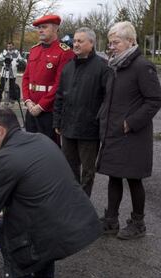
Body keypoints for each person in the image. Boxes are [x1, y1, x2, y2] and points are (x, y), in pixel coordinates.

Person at [0, 109, 102, 278]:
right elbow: (33, 188)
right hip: (73, 221)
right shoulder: (42, 139)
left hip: (44, 231)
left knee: (6, 232)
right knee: (42, 253)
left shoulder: (3, 159)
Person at [97, 22, 161, 240]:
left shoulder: (142, 66)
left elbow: (154, 100)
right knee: (114, 177)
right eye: (110, 43)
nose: (112, 47)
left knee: (134, 179)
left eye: (116, 42)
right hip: (114, 132)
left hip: (133, 135)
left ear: (131, 41)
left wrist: (131, 122)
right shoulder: (115, 66)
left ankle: (138, 223)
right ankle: (110, 220)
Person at [53, 27, 109, 198]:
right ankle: (72, 200)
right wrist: (57, 121)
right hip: (68, 128)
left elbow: (107, 100)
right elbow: (60, 96)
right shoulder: (68, 67)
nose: (75, 44)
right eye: (75, 41)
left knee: (88, 172)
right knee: (69, 168)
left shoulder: (103, 68)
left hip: (89, 130)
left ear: (91, 43)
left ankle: (84, 202)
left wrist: (99, 123)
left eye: (80, 41)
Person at [22, 14, 74, 145]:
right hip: (31, 108)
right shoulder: (34, 50)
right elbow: (26, 78)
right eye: (39, 27)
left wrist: (41, 106)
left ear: (55, 28)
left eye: (44, 27)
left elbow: (60, 84)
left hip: (49, 112)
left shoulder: (64, 52)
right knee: (30, 148)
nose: (40, 30)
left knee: (49, 149)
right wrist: (27, 101)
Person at [0, 42, 23, 106]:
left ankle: (12, 99)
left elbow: (21, 61)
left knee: (12, 87)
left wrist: (18, 64)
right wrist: (4, 63)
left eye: (10, 46)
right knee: (1, 86)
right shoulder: (4, 53)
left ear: (13, 46)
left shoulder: (16, 53)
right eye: (8, 46)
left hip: (13, 73)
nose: (9, 47)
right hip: (5, 72)